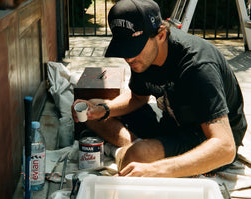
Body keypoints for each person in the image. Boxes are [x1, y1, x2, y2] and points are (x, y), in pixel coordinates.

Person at [71, 0, 247, 177]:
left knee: (135, 156)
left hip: (205, 135)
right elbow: (138, 98)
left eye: (135, 48)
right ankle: (141, 146)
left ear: (161, 35)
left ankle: (141, 150)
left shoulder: (198, 67)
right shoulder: (143, 57)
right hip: (172, 122)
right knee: (91, 109)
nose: (129, 58)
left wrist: (157, 169)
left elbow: (225, 147)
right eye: (125, 49)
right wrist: (104, 110)